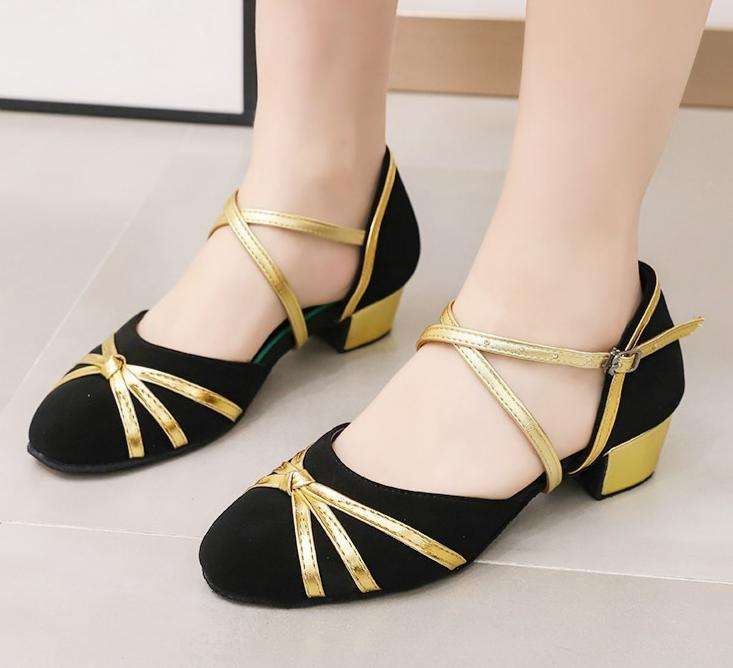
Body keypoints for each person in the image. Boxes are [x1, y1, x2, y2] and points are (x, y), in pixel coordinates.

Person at [29, 1, 709, 606]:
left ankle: (559, 316)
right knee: (308, 152)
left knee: (559, 249)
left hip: (575, 335)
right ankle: (313, 192)